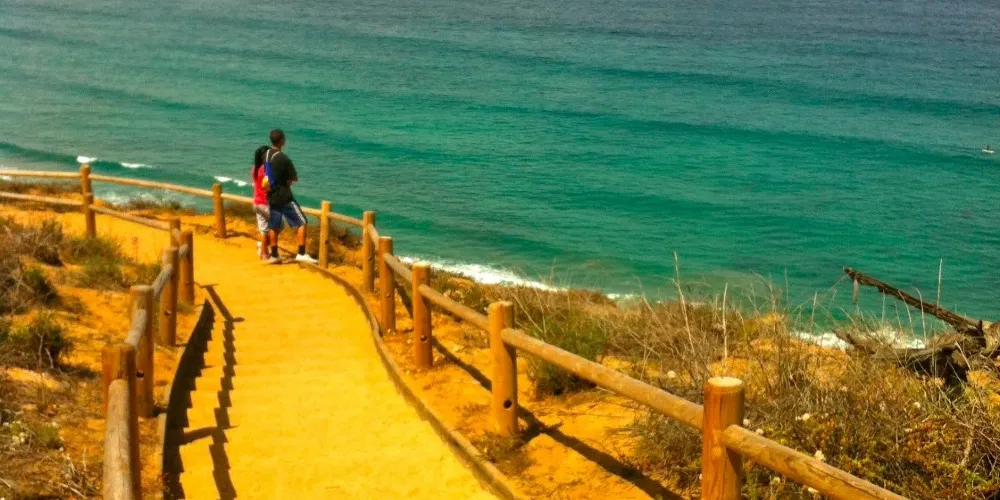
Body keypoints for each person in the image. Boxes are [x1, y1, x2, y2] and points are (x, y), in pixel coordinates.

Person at [264, 129, 317, 264]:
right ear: (282, 140)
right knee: (302, 222)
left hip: (271, 196)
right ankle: (301, 253)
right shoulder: (284, 159)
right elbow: (294, 178)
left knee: (273, 225)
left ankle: (274, 255)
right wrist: (287, 181)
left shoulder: (266, 154)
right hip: (284, 197)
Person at [251, 145, 272, 260]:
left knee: (265, 229)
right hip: (265, 203)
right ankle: (263, 253)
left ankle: (263, 248)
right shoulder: (266, 170)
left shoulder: (254, 169)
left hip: (257, 203)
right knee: (275, 227)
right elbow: (269, 186)